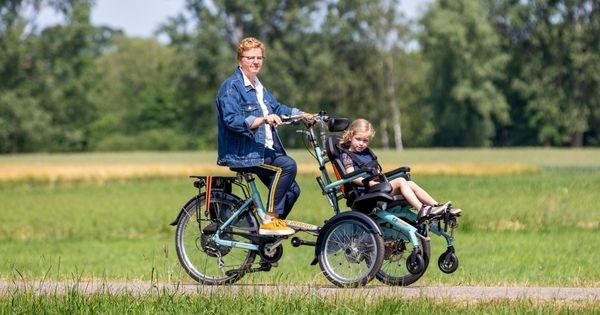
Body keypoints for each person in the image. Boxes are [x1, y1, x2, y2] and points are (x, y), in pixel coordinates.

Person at [215, 37, 313, 236]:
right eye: (250, 57)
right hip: (243, 153)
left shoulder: (259, 86)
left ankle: (265, 237)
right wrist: (262, 120)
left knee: (293, 191)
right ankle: (269, 220)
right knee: (287, 165)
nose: (255, 62)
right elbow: (232, 119)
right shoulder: (232, 87)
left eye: (259, 58)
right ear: (239, 60)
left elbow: (277, 108)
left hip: (261, 151)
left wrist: (302, 115)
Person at [339, 118, 461, 219]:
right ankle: (421, 210)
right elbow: (351, 177)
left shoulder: (367, 153)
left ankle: (437, 207)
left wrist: (379, 177)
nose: (362, 143)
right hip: (365, 193)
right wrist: (370, 183)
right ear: (350, 136)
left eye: (365, 141)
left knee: (410, 183)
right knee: (401, 181)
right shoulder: (347, 155)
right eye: (358, 139)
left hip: (377, 187)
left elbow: (377, 171)